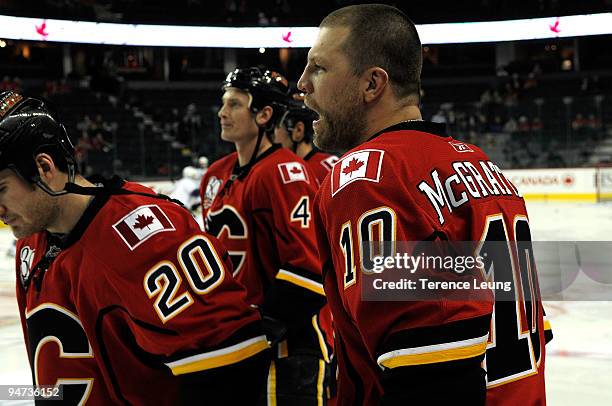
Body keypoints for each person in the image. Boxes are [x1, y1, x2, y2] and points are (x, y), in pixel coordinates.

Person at [298, 4, 552, 406]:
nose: (303, 84)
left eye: (319, 68)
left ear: (372, 85)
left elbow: (430, 371)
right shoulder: (484, 166)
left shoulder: (368, 176)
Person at [0, 91, 270, 404]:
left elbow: (232, 363)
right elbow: (56, 384)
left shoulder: (150, 234)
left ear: (44, 167)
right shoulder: (30, 245)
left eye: (2, 189)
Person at [200, 67, 331, 405]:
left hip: (285, 346)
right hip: (233, 342)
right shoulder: (214, 175)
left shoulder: (284, 172)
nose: (222, 113)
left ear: (264, 114)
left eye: (234, 104)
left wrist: (262, 324)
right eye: (222, 103)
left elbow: (310, 268)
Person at [274, 93, 339, 186]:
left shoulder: (324, 171)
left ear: (298, 130)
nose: (272, 136)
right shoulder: (327, 165)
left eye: (277, 127)